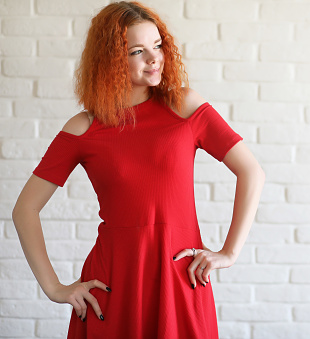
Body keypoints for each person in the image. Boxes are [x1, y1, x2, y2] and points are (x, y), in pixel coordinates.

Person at [11, 1, 265, 338]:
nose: (154, 58)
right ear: (112, 58)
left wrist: (229, 252)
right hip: (115, 282)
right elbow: (24, 209)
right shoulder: (84, 128)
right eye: (137, 51)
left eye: (158, 46)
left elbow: (251, 171)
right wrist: (54, 288)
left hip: (179, 275)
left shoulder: (184, 106)